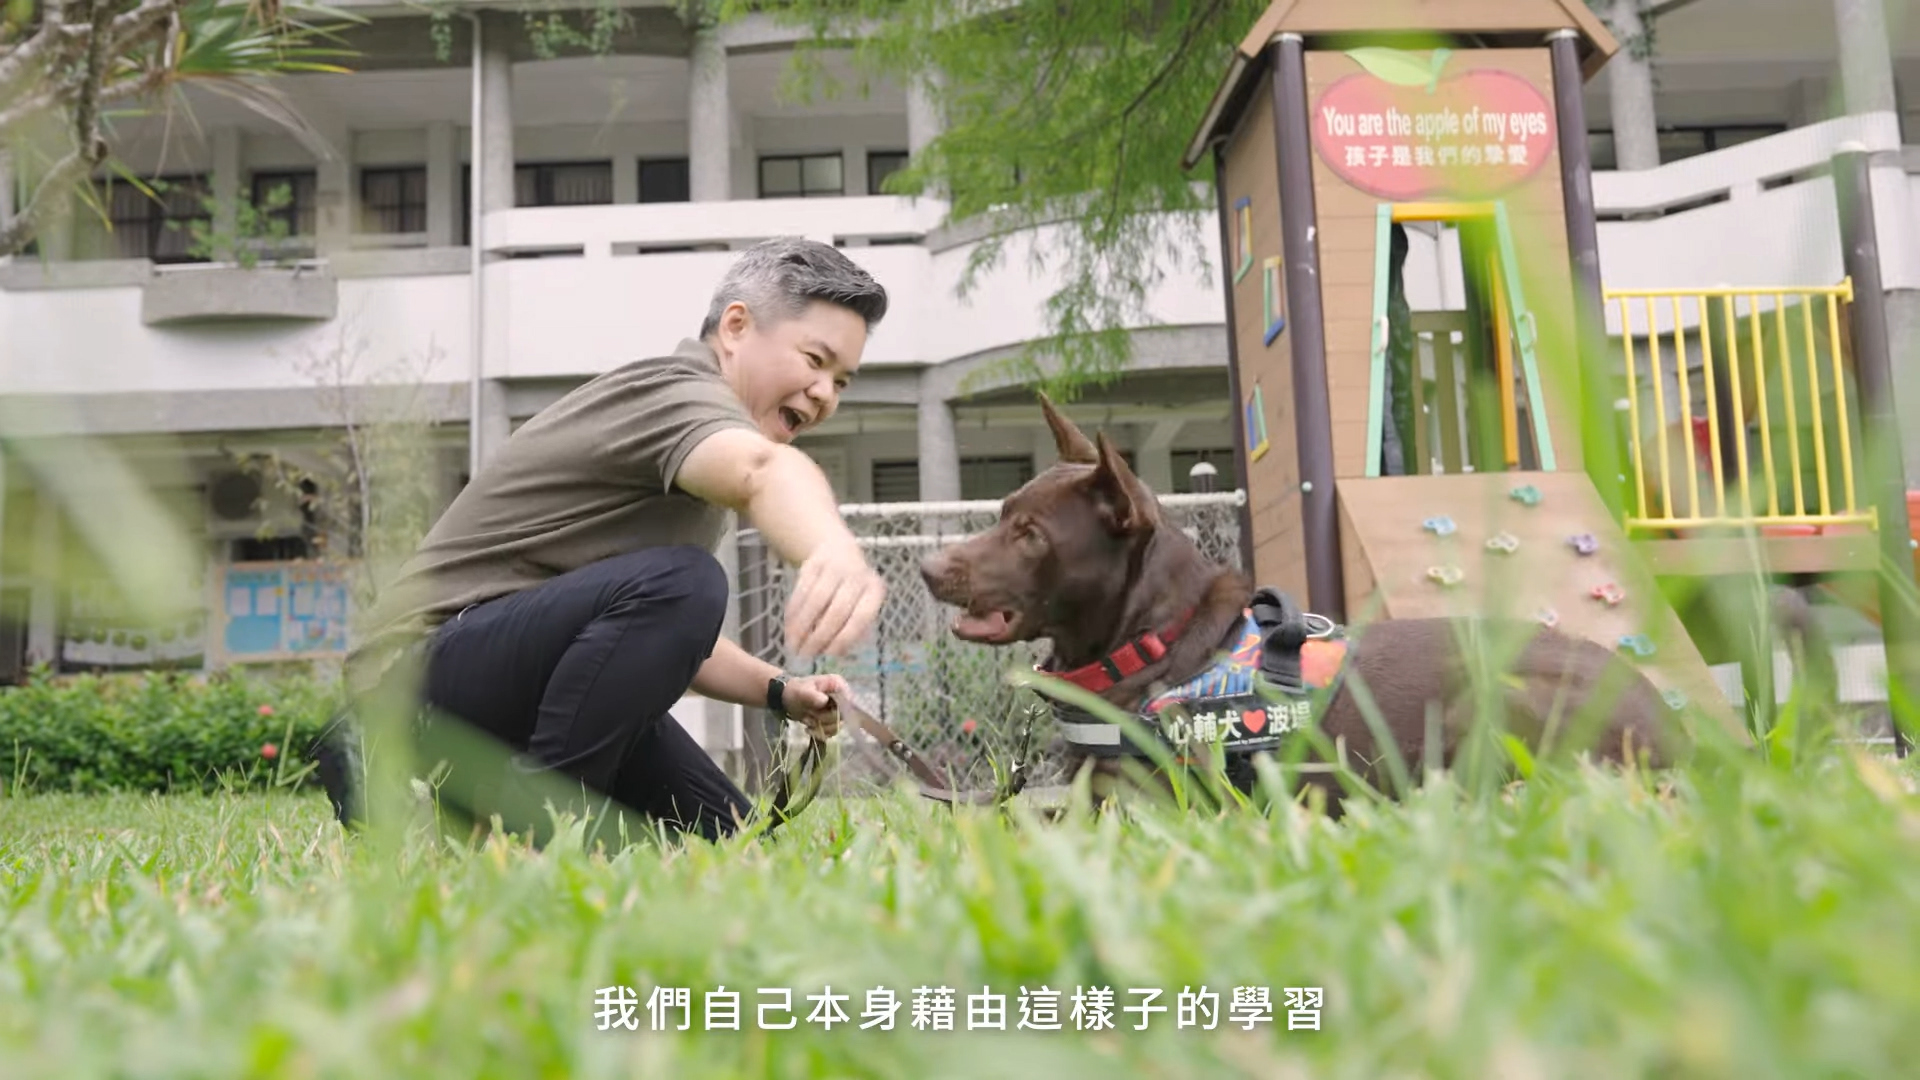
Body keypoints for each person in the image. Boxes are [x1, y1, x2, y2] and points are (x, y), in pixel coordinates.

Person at [338, 237, 891, 846]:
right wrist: (831, 547)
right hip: (402, 697)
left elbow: (650, 633)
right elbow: (761, 475)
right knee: (689, 582)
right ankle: (531, 836)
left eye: (842, 381)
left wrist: (780, 691)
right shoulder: (675, 394)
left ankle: (499, 819)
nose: (825, 394)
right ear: (736, 327)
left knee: (735, 843)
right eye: (815, 360)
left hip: (504, 684)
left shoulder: (696, 454)